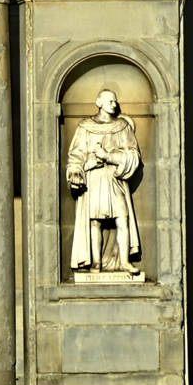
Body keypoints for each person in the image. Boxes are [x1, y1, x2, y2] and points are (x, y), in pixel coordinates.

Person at [67, 89, 143, 274]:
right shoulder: (85, 127)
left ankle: (125, 261)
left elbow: (134, 155)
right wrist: (80, 169)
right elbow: (75, 156)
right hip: (94, 180)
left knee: (122, 219)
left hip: (115, 179)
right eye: (109, 101)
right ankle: (96, 263)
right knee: (95, 222)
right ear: (98, 102)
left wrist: (108, 156)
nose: (114, 104)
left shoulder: (122, 127)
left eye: (115, 101)